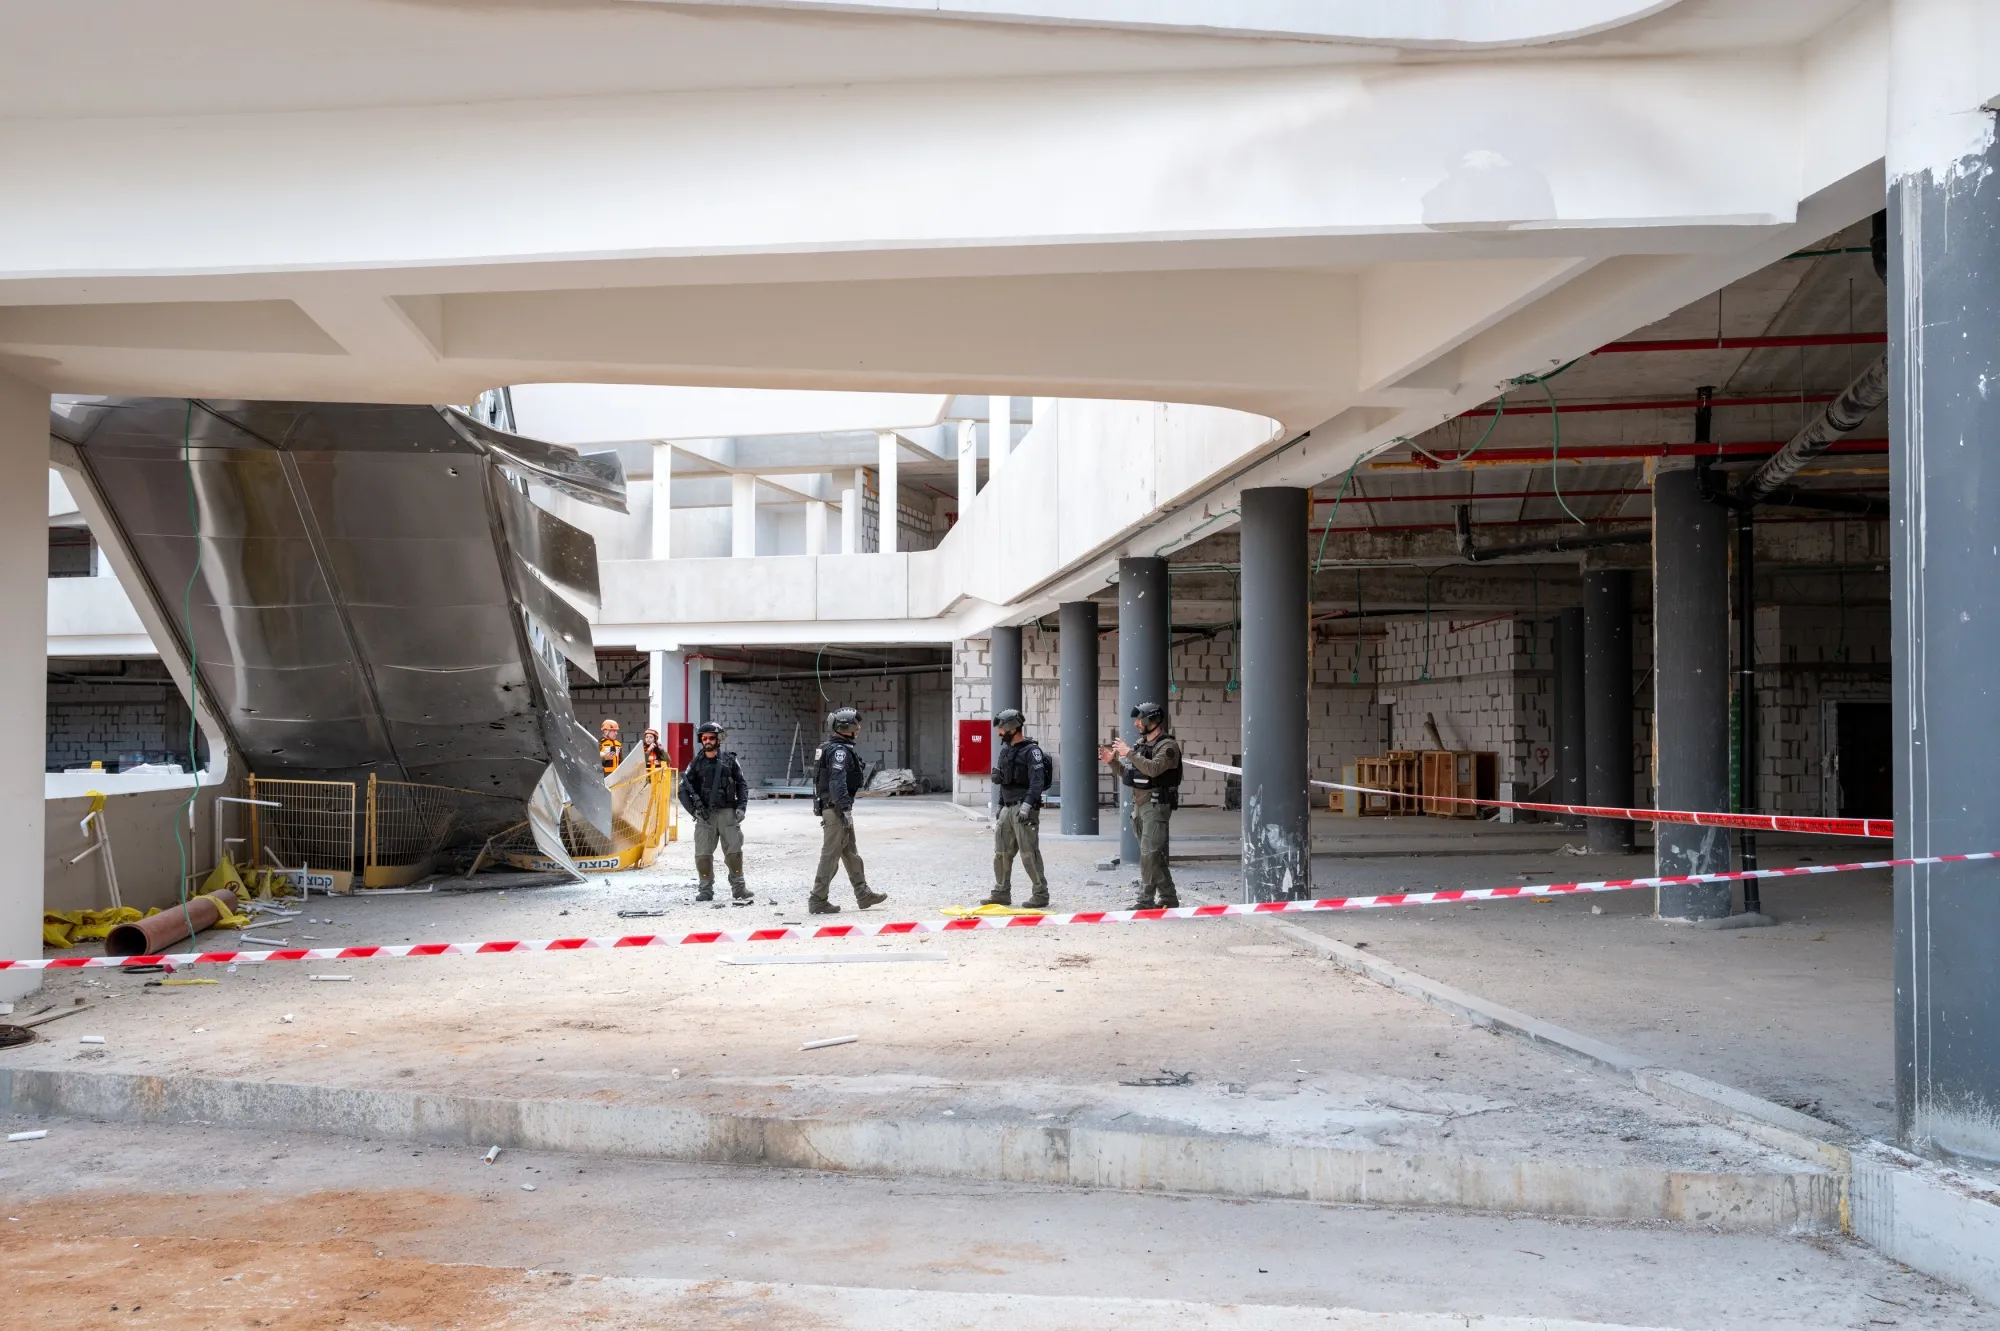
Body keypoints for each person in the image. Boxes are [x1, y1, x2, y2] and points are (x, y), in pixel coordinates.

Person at [1099, 701, 1182, 909]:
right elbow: (1129, 775)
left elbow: (1153, 769)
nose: (1136, 723)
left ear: (1152, 720)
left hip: (1156, 806)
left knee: (1148, 855)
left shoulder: (1168, 747)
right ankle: (1169, 898)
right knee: (1153, 856)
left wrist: (1129, 753)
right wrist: (1112, 761)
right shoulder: (1141, 745)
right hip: (1140, 806)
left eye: (1140, 719)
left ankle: (1145, 901)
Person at [810, 707, 888, 915]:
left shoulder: (834, 747)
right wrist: (844, 808)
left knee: (851, 852)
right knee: (830, 855)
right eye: (855, 724)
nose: (859, 728)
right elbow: (837, 782)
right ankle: (818, 899)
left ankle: (863, 895)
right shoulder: (839, 751)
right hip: (836, 810)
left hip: (836, 808)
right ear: (845, 727)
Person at [984, 708, 1050, 909]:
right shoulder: (1006, 751)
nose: (999, 732)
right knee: (1001, 852)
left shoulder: (1032, 751)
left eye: (1001, 728)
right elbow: (1003, 782)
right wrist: (1001, 806)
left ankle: (1040, 894)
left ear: (1012, 727)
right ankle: (1001, 893)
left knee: (1028, 853)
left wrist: (1028, 805)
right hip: (1008, 808)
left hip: (1024, 809)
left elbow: (1037, 782)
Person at [679, 722, 751, 903]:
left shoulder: (729, 760)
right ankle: (705, 889)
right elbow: (682, 790)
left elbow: (742, 784)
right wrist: (694, 811)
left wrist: (741, 808)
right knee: (703, 855)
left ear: (719, 739)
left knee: (734, 853)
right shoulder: (696, 763)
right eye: (704, 738)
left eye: (711, 737)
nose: (708, 741)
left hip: (728, 813)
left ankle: (739, 888)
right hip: (705, 816)